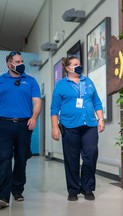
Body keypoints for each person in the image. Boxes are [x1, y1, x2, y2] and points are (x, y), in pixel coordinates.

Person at [50, 56, 105, 201]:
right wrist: (54, 127)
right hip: (69, 126)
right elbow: (54, 108)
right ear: (67, 68)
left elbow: (97, 102)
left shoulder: (88, 82)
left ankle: (87, 188)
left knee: (91, 155)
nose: (79, 66)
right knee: (71, 159)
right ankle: (73, 189)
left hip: (90, 125)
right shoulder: (61, 85)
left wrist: (101, 119)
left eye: (79, 64)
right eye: (75, 64)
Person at [0, 51, 42, 209]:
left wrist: (34, 117)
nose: (21, 63)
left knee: (21, 158)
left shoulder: (30, 81)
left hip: (24, 125)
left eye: (22, 60)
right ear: (9, 64)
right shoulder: (1, 81)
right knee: (4, 157)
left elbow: (37, 101)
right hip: (3, 125)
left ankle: (17, 190)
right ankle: (3, 196)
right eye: (17, 61)